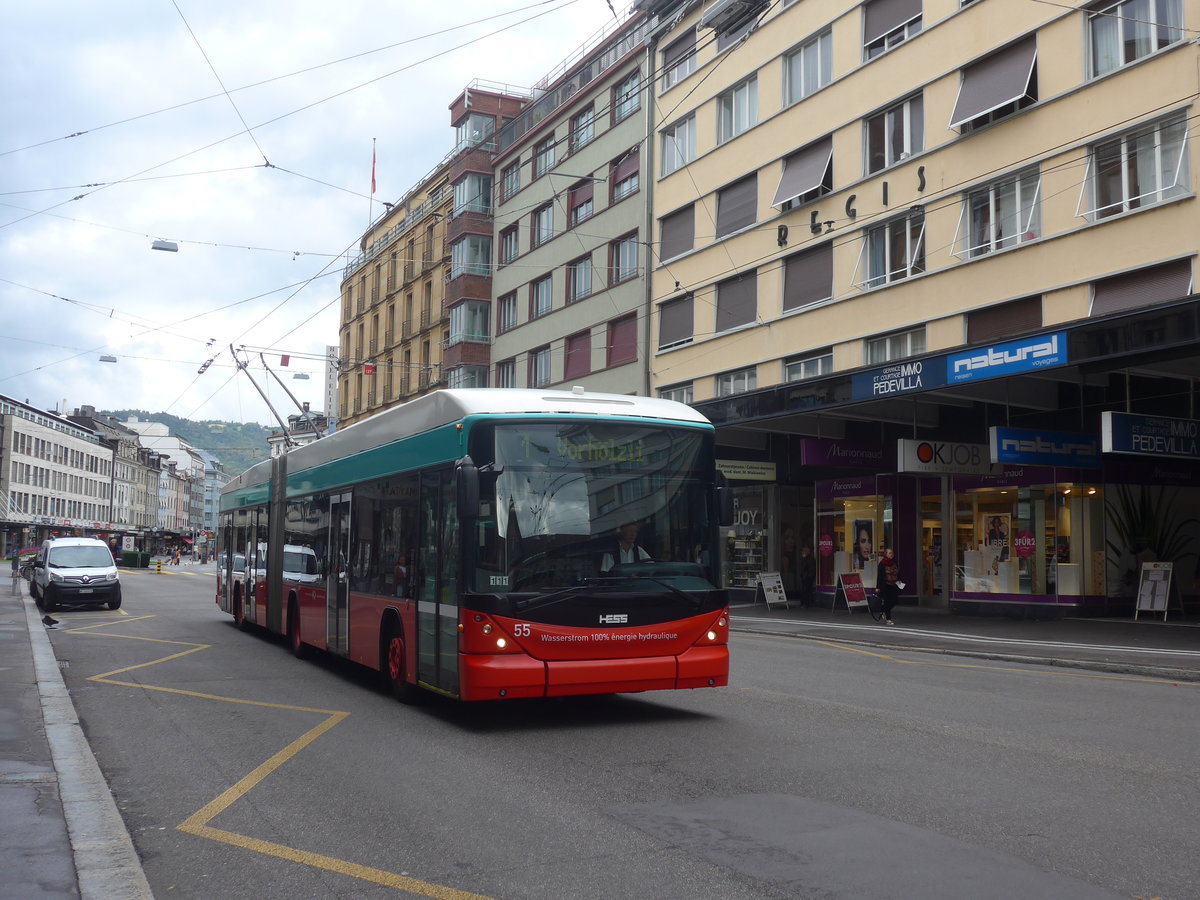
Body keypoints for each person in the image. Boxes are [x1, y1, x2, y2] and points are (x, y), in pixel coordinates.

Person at [876, 547, 900, 625]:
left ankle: (883, 610)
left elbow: (898, 573)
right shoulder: (882, 564)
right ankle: (888, 619)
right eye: (889, 553)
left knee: (894, 600)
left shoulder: (894, 562)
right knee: (887, 601)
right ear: (886, 554)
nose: (891, 554)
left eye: (892, 553)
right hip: (885, 585)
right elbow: (879, 576)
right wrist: (878, 587)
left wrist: (899, 581)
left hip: (894, 584)